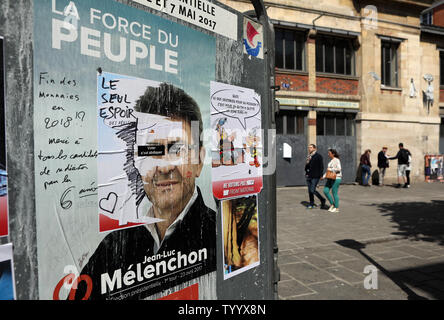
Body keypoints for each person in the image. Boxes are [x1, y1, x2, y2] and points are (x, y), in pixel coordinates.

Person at [73, 83, 216, 300]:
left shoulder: (221, 236)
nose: (165, 166)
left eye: (177, 149)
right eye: (151, 150)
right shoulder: (112, 246)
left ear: (199, 161)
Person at [304, 144, 326, 209]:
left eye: (310, 147)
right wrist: (306, 171)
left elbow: (321, 166)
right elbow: (307, 166)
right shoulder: (309, 156)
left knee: (312, 190)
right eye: (308, 147)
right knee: (309, 191)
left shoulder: (318, 156)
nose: (309, 149)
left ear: (314, 148)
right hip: (309, 176)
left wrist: (321, 175)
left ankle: (322, 199)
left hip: (315, 176)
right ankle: (311, 203)